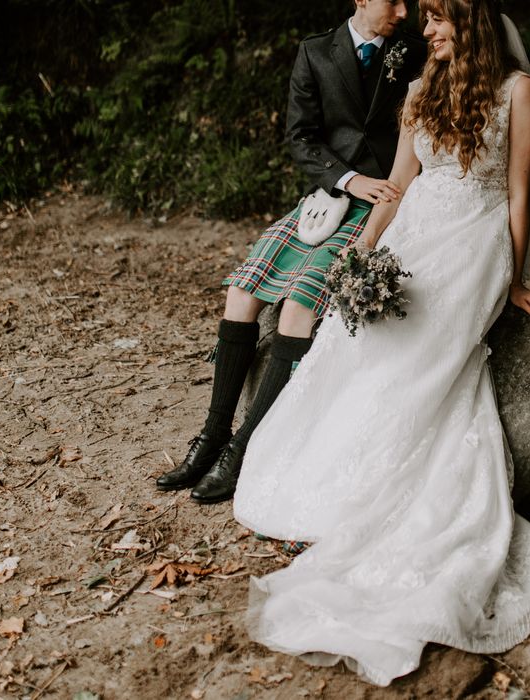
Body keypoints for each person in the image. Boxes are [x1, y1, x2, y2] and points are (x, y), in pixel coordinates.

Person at [232, 0, 530, 686]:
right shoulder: (420, 90)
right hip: (414, 233)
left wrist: (512, 280)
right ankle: (327, 485)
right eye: (426, 19)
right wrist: (355, 261)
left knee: (422, 358)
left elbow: (516, 194)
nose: (428, 30)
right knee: (358, 346)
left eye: (441, 19)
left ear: (472, 22)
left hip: (473, 243)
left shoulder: (519, 93)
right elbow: (395, 190)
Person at [155, 0, 426, 503]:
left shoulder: (415, 51)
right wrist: (349, 179)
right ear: (362, 0)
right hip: (329, 199)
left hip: (386, 201)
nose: (405, 9)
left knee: (299, 305)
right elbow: (300, 138)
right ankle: (212, 434)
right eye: (393, 0)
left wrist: (384, 186)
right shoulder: (315, 52)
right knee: (240, 292)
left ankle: (243, 448)